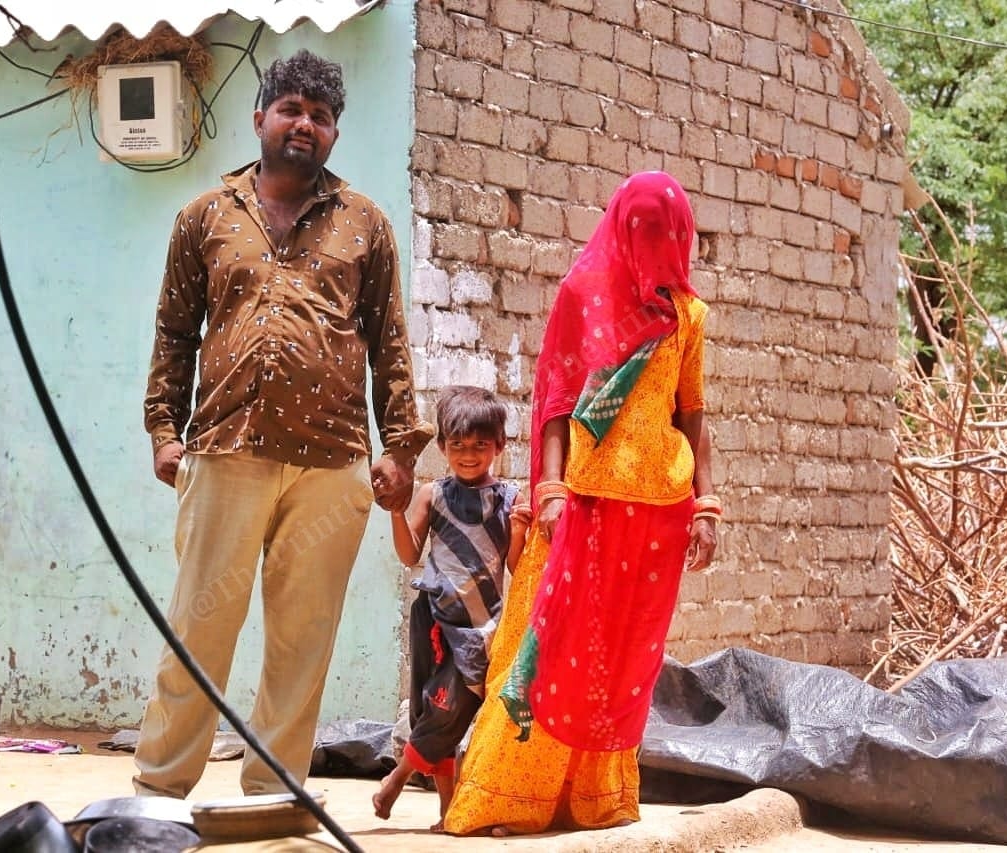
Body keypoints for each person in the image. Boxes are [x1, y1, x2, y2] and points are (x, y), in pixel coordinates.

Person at [135, 49, 433, 799]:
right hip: (224, 449)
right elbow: (174, 331)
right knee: (199, 624)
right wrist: (164, 430)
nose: (305, 124)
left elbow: (388, 341)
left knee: (302, 640)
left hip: (332, 461)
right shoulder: (204, 216)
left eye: (320, 116)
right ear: (260, 117)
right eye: (292, 109)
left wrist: (400, 448)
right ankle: (159, 791)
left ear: (334, 133)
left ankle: (272, 793)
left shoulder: (366, 224)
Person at [443, 171, 721, 836]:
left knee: (622, 658)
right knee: (548, 644)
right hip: (584, 503)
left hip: (659, 511)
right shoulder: (584, 295)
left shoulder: (688, 315)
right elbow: (557, 399)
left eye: (668, 232)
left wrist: (707, 505)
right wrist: (551, 491)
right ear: (623, 229)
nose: (657, 244)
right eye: (645, 230)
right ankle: (512, 795)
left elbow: (692, 412)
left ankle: (594, 797)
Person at [372, 385, 531, 830]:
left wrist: (520, 530)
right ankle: (447, 811)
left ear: (499, 445)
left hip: (480, 626)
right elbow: (410, 555)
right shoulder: (433, 494)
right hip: (432, 615)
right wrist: (395, 511)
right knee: (429, 706)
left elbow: (515, 567)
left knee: (452, 706)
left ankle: (397, 779)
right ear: (442, 446)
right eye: (458, 445)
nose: (468, 455)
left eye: (480, 445)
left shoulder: (510, 499)